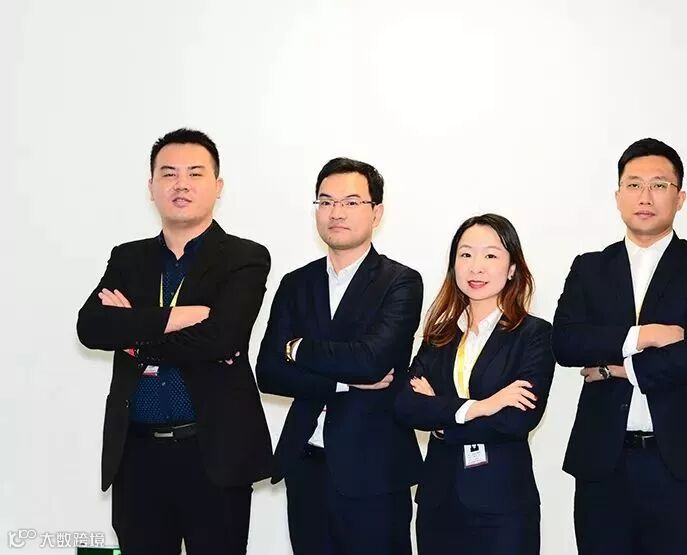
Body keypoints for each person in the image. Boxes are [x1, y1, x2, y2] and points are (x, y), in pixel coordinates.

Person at [76, 128, 272, 554]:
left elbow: (221, 338)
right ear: (151, 187)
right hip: (136, 456)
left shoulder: (245, 257)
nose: (181, 184)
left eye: (195, 173)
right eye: (168, 174)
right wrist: (180, 318)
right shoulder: (128, 257)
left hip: (212, 453)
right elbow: (90, 327)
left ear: (218, 186)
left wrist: (133, 333)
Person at [552, 138, 687, 554]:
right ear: (618, 196)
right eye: (634, 185)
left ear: (680, 198)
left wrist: (617, 369)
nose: (645, 196)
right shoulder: (589, 267)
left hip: (679, 462)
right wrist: (644, 335)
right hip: (603, 461)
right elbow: (565, 342)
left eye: (659, 185)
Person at [256, 157, 423, 554]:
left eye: (351, 202)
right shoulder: (296, 283)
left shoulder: (400, 281)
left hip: (375, 470)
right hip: (305, 464)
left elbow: (371, 361)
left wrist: (298, 348)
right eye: (326, 202)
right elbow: (269, 372)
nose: (336, 212)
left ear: (376, 212)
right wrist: (341, 381)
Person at [395, 213, 555, 555]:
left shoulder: (533, 334)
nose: (476, 267)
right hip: (438, 502)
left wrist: (442, 422)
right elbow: (406, 405)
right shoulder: (439, 334)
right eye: (465, 254)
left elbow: (517, 419)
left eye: (491, 255)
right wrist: (482, 406)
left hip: (503, 506)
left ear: (512, 268)